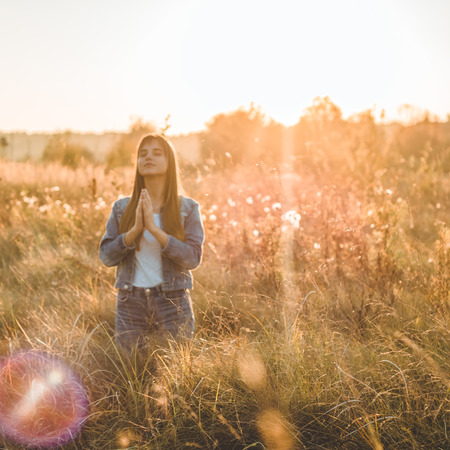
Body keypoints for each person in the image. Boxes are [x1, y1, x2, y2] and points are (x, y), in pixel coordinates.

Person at [99, 134, 204, 351]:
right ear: (137, 163)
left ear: (169, 162)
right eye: (143, 154)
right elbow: (106, 256)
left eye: (157, 153)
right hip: (131, 303)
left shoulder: (187, 208)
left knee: (176, 372)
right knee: (130, 370)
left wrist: (155, 231)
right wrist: (135, 230)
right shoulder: (122, 208)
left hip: (172, 301)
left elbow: (193, 258)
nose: (148, 158)